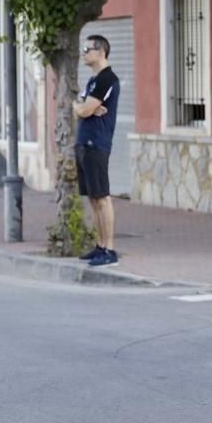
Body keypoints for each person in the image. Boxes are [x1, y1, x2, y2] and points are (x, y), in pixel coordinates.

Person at [73, 34, 121, 267]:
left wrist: (84, 108)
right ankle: (100, 245)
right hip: (84, 142)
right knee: (93, 198)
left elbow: (83, 110)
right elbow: (81, 106)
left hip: (97, 144)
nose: (84, 53)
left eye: (87, 49)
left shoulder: (107, 80)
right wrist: (82, 107)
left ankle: (110, 250)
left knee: (102, 197)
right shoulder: (93, 80)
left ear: (101, 52)